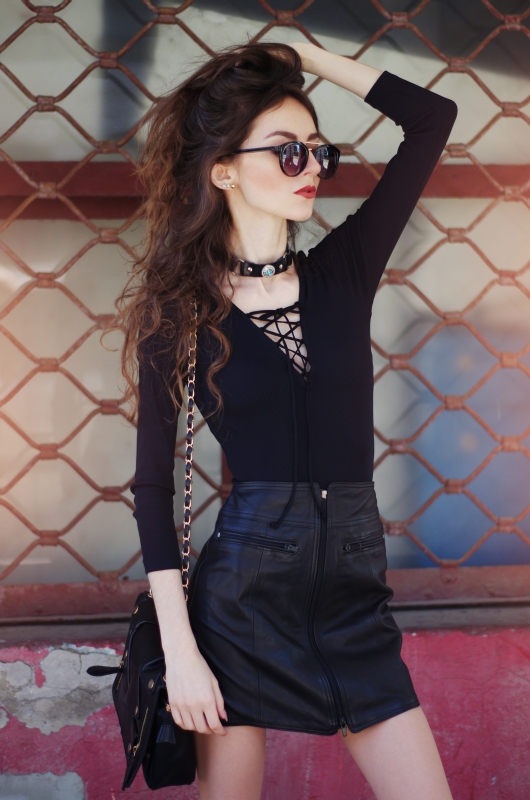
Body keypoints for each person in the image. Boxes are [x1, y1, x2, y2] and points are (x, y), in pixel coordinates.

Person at [119, 39, 457, 800]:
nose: (311, 167)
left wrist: (303, 52)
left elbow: (432, 118)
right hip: (242, 605)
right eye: (287, 150)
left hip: (354, 595)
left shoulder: (345, 271)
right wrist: (181, 650)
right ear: (223, 169)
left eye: (317, 150)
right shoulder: (179, 313)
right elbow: (151, 487)